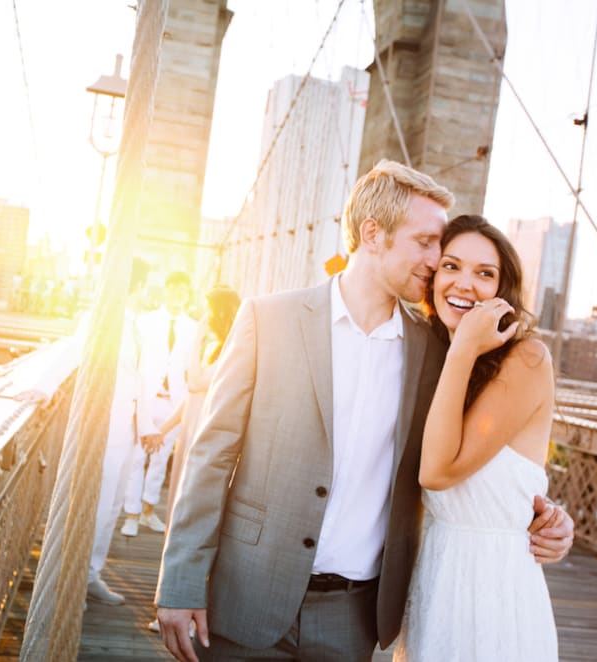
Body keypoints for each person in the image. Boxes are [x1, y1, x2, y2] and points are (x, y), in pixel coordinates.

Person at [155, 160, 574, 662]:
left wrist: (545, 516)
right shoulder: (269, 319)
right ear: (372, 234)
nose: (436, 259)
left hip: (354, 617)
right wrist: (179, 583)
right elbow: (211, 457)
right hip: (246, 595)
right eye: (425, 242)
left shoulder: (439, 353)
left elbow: (476, 452)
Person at [396, 214, 559, 660]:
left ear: (503, 292)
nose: (464, 284)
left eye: (484, 274)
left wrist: (466, 345)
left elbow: (438, 471)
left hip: (495, 589)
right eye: (450, 267)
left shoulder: (527, 358)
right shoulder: (431, 358)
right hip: (438, 577)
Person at [143, 284, 241, 634]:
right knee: (176, 521)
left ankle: (182, 609)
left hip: (206, 443)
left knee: (189, 523)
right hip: (189, 437)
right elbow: (189, 401)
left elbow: (195, 381)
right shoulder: (216, 348)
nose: (201, 317)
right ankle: (175, 603)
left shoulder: (229, 350)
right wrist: (162, 430)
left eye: (205, 311)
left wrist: (197, 337)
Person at [84, 257, 162, 605]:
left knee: (112, 507)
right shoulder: (101, 319)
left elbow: (142, 381)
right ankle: (75, 578)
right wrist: (41, 389)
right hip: (104, 427)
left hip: (127, 433)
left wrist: (146, 427)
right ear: (139, 286)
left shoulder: (137, 326)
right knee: (95, 506)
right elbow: (70, 352)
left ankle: (91, 575)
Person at [121, 271, 198, 537]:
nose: (178, 295)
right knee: (137, 456)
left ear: (188, 294)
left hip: (173, 401)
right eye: (173, 289)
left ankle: (148, 511)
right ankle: (130, 513)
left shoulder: (193, 327)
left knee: (160, 458)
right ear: (165, 291)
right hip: (146, 397)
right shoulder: (145, 322)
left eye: (183, 290)